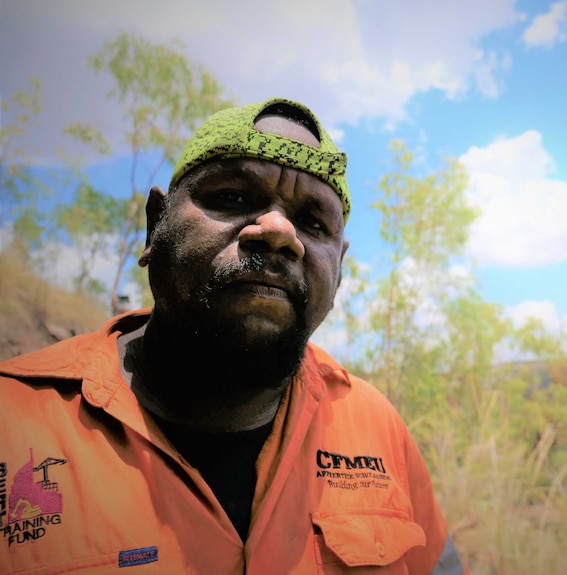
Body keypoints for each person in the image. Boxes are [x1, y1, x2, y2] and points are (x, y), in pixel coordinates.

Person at [0, 98, 468, 574]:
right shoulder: (12, 423)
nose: (279, 231)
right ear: (155, 225)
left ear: (340, 270)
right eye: (232, 197)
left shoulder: (375, 423)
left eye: (313, 222)